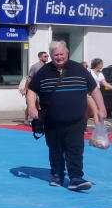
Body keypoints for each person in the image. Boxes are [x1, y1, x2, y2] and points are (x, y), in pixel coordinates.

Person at [26, 41, 99, 191]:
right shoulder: (44, 71)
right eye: (56, 55)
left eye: (61, 54)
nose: (59, 57)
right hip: (52, 120)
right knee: (55, 149)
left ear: (67, 53)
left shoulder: (79, 69)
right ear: (51, 56)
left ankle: (76, 178)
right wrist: (32, 107)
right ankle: (57, 174)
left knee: (75, 149)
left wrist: (101, 109)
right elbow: (31, 90)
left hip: (76, 120)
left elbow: (94, 90)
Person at [21, 51, 49, 121]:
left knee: (40, 105)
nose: (47, 58)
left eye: (47, 56)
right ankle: (26, 119)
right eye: (45, 56)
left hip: (42, 89)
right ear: (40, 57)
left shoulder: (48, 66)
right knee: (31, 105)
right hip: (33, 89)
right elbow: (29, 78)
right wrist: (25, 89)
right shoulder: (35, 67)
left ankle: (40, 120)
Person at [87, 58, 112, 128]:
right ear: (97, 64)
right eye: (101, 64)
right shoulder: (89, 72)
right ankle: (99, 128)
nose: (103, 65)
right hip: (89, 94)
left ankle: (83, 126)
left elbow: (105, 83)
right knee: (96, 110)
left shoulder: (100, 74)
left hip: (97, 93)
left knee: (88, 112)